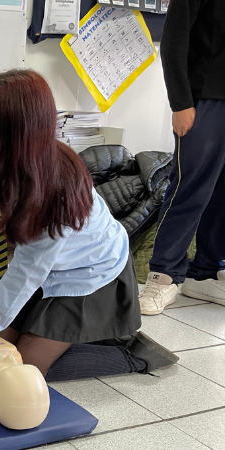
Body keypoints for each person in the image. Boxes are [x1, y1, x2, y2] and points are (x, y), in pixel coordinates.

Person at [0, 70, 178, 382]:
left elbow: (27, 269)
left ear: (21, 129)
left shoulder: (54, 186)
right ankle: (64, 335)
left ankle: (131, 352)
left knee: (23, 368)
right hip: (47, 268)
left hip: (92, 273)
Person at [138, 0, 225, 315]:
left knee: (222, 194)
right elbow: (174, 41)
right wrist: (180, 102)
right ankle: (163, 275)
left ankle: (207, 272)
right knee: (189, 189)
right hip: (204, 100)